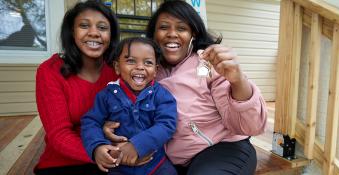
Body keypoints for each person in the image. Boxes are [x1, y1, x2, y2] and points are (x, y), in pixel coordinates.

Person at [103, 1, 267, 175]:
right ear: (153, 35)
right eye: (164, 27)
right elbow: (128, 107)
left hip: (221, 149)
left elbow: (251, 126)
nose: (172, 34)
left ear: (192, 35)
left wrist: (238, 81)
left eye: (181, 28)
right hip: (169, 159)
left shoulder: (209, 65)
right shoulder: (146, 72)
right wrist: (112, 128)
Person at [34, 1, 119, 174]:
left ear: (111, 35)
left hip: (115, 155)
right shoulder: (50, 71)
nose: (94, 33)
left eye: (102, 28)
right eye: (84, 25)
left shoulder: (119, 71)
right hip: (65, 161)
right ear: (72, 32)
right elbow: (59, 134)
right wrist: (97, 151)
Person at [81, 37, 178, 175]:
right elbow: (91, 122)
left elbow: (167, 124)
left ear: (156, 70)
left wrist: (137, 145)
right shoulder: (106, 95)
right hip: (118, 166)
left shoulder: (161, 95)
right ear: (117, 67)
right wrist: (97, 147)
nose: (140, 67)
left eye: (148, 62)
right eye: (131, 61)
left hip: (155, 164)